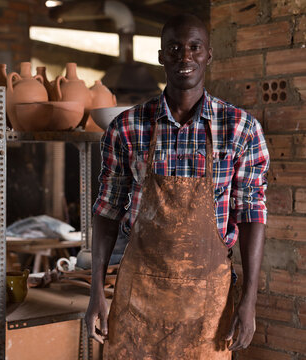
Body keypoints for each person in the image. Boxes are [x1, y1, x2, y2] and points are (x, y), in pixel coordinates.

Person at [85, 13, 269, 359]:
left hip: (207, 303)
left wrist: (249, 301)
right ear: (160, 56)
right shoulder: (127, 128)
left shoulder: (241, 129)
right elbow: (106, 211)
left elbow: (252, 215)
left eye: (194, 48)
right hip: (139, 296)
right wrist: (96, 291)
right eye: (174, 48)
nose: (185, 57)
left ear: (208, 56)